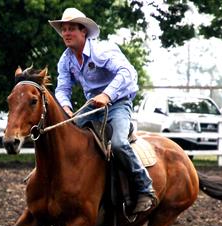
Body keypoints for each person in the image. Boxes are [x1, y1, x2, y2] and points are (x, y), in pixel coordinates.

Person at [49, 8, 156, 214]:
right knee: (62, 137)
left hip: (117, 103)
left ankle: (145, 187)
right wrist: (66, 109)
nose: (66, 33)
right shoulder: (66, 59)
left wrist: (107, 95)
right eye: (64, 29)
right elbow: (62, 88)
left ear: (84, 32)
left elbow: (127, 72)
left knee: (118, 144)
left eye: (71, 29)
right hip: (91, 107)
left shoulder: (103, 50)